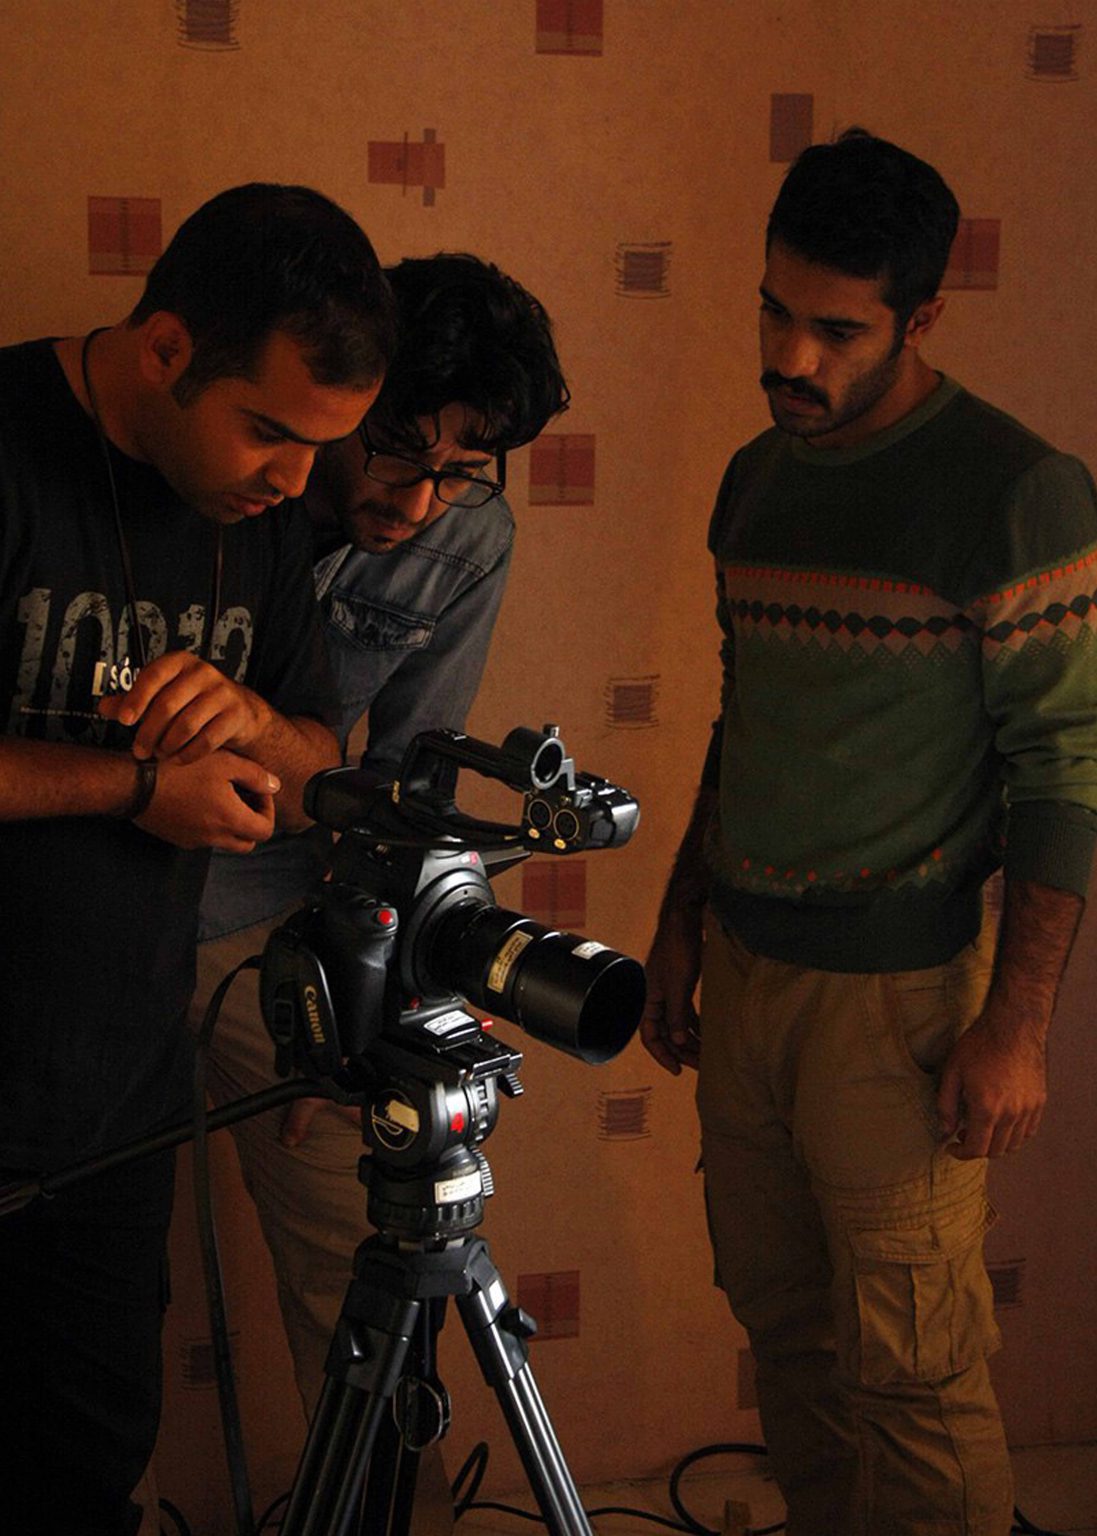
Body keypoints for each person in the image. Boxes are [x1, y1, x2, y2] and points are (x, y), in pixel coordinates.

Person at [641, 130, 1097, 1536]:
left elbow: (1064, 775)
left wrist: (1015, 1028)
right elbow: (746, 718)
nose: (790, 358)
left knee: (914, 1367)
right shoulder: (755, 476)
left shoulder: (1013, 491)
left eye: (835, 332)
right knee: (784, 1329)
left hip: (897, 1003)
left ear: (920, 318)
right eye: (773, 312)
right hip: (746, 974)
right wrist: (677, 921)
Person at [0, 182, 395, 1536]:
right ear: (165, 347)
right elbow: (159, 795)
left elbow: (312, 768)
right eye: (270, 431)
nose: (294, 482)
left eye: (319, 448)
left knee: (85, 1477)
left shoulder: (263, 514)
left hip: (115, 1110)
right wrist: (136, 787)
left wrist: (250, 727)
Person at [191, 252, 568, 1419]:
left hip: (281, 916)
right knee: (81, 1275)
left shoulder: (467, 539)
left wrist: (384, 1003)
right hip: (100, 901)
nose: (417, 502)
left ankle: (382, 1498)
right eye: (396, 449)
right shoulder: (214, 468)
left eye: (460, 471)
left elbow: (417, 784)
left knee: (355, 1271)